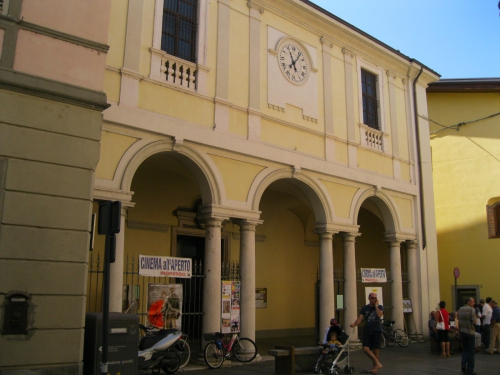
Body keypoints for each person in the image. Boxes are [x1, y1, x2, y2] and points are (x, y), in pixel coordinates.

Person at [350, 293, 383, 374]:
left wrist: (376, 306)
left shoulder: (380, 307)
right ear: (369, 298)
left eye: (375, 298)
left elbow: (379, 315)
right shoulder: (365, 308)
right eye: (372, 298)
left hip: (377, 330)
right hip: (368, 330)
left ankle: (374, 368)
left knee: (376, 350)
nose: (374, 299)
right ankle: (377, 363)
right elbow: (360, 318)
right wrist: (355, 324)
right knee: (365, 348)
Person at [458, 297, 477, 374]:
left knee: (465, 349)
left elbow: (458, 319)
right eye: (473, 301)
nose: (474, 303)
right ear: (468, 302)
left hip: (462, 332)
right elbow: (474, 321)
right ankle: (470, 369)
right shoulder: (471, 309)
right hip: (470, 332)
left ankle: (463, 363)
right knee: (471, 352)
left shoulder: (460, 309)